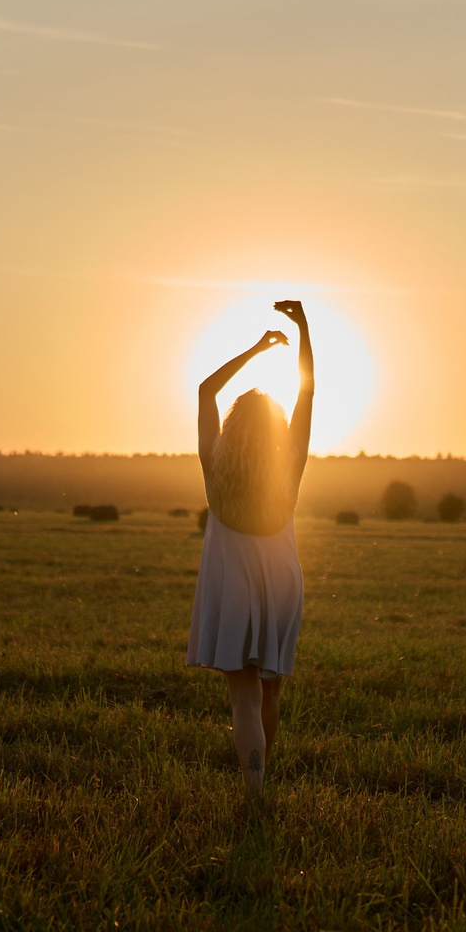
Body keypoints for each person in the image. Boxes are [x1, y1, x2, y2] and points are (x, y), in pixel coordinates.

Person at [187, 299, 313, 791]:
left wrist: (257, 349)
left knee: (243, 699)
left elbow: (205, 389)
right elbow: (308, 391)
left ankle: (254, 790)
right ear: (276, 432)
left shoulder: (214, 466)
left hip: (231, 589)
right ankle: (264, 779)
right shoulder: (291, 470)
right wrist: (303, 330)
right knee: (270, 692)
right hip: (282, 586)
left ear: (235, 428)